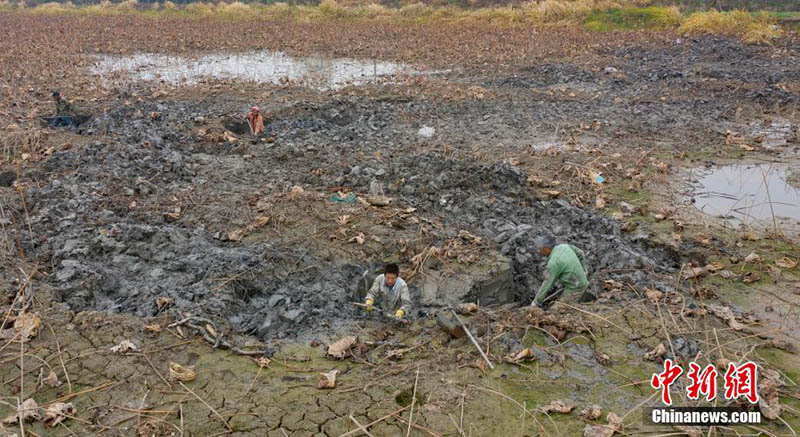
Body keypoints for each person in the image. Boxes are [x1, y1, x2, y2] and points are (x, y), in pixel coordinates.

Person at [531, 236, 590, 309]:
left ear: (546, 249)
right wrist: (584, 270)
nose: (538, 252)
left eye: (539, 249)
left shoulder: (554, 263)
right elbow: (580, 253)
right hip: (576, 281)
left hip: (576, 287)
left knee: (555, 311)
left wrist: (536, 301)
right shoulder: (564, 246)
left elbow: (547, 284)